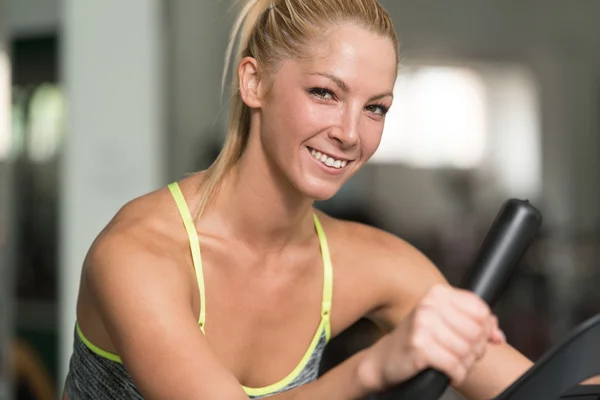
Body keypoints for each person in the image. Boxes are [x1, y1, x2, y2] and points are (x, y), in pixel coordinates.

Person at [62, 0, 535, 398]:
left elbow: (537, 387)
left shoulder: (370, 261)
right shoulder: (138, 254)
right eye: (325, 92)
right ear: (254, 83)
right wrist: (370, 369)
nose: (351, 134)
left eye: (375, 108)